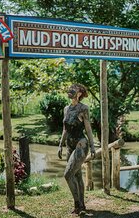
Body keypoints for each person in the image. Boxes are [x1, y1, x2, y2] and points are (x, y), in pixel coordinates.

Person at [58, 83, 96, 215]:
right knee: (77, 175)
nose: (70, 91)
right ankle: (82, 205)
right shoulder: (66, 109)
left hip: (81, 144)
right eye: (70, 89)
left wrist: (92, 146)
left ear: (79, 94)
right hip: (69, 145)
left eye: (73, 90)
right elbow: (65, 129)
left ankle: (77, 205)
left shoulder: (83, 108)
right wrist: (60, 145)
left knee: (68, 174)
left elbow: (88, 129)